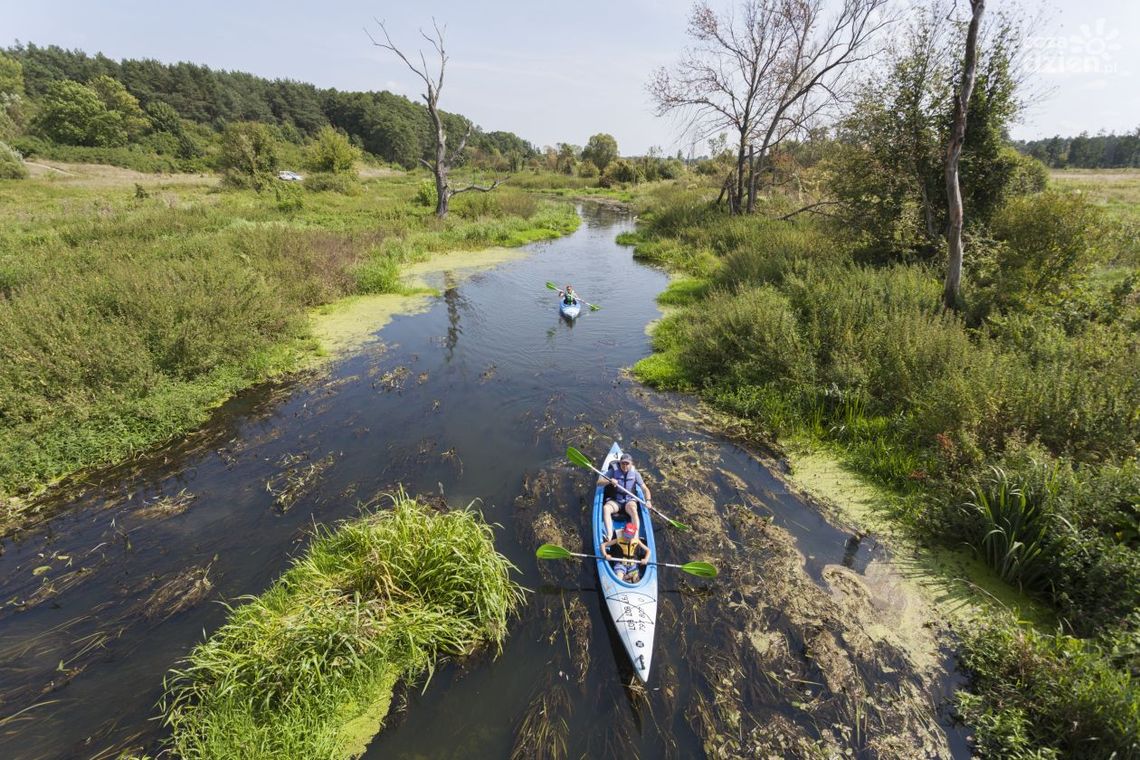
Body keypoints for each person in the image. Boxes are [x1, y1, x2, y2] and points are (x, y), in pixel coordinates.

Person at [597, 451, 653, 539]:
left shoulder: (635, 474)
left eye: (627, 463)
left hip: (629, 501)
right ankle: (610, 535)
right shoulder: (613, 471)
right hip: (616, 500)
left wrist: (648, 501)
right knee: (606, 508)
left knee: (634, 511)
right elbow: (599, 483)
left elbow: (645, 489)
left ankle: (636, 537)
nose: (625, 466)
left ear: (631, 464)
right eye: (623, 463)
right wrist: (609, 481)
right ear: (620, 463)